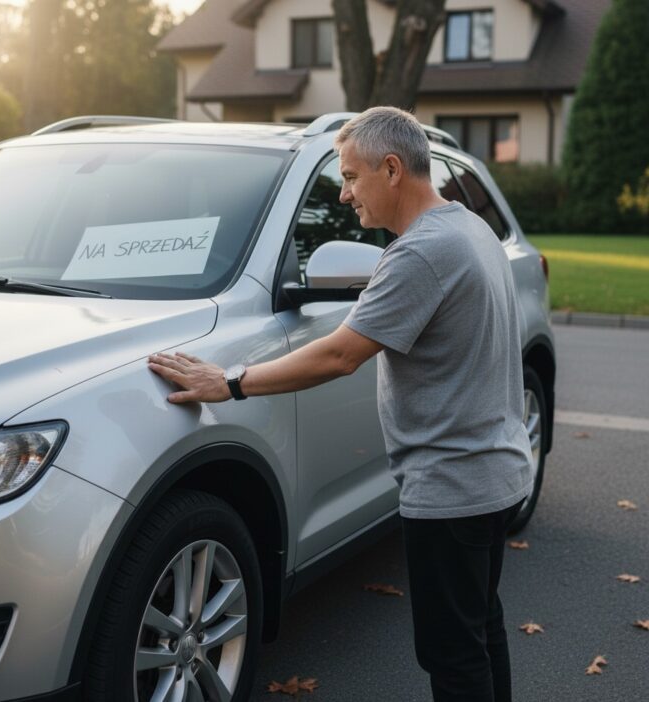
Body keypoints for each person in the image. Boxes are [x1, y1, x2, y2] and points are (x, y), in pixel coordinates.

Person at [148, 106, 533, 702]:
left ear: (392, 168)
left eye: (352, 177)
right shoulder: (468, 228)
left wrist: (229, 382)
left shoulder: (420, 254)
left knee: (452, 653)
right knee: (481, 632)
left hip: (452, 487)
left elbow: (338, 355)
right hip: (491, 475)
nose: (347, 193)